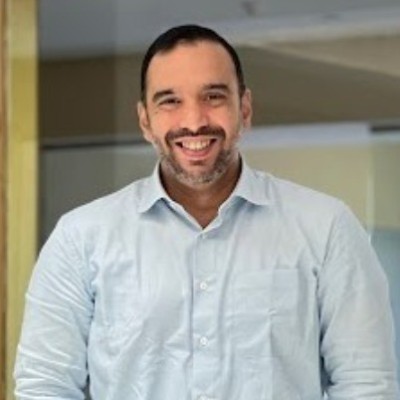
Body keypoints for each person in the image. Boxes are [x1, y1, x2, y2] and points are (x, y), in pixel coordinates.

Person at [14, 24, 398, 400]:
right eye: (169, 101)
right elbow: (44, 387)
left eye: (213, 96)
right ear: (145, 120)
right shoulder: (80, 238)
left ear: (244, 108)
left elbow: (367, 386)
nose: (194, 121)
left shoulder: (326, 228)